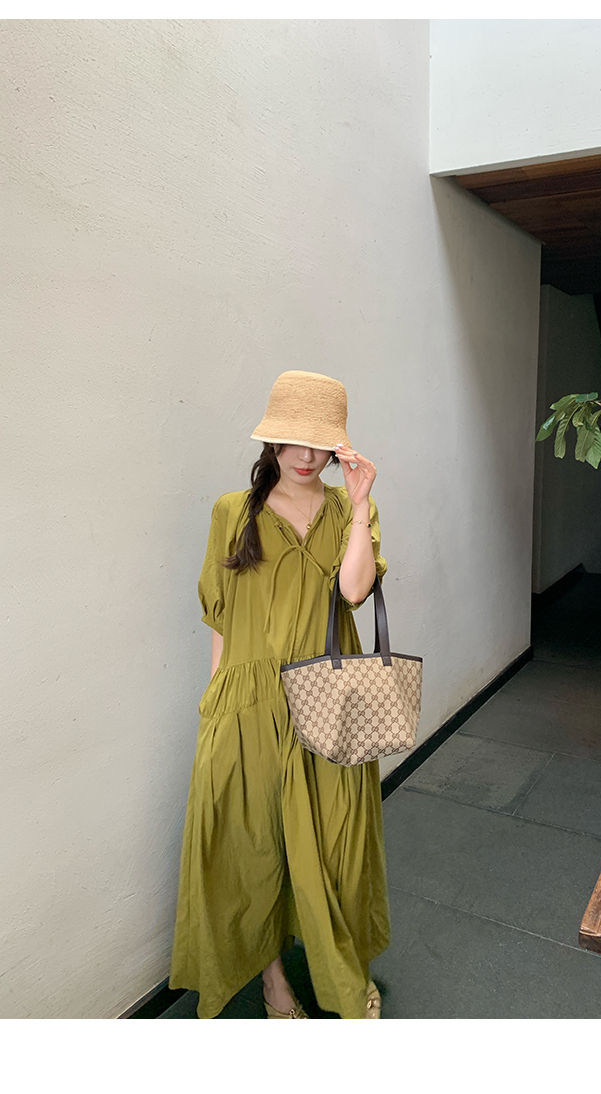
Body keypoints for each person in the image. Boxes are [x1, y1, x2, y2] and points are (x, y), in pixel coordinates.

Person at [169, 370, 390, 1019]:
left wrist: (361, 502)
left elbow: (354, 591)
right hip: (250, 703)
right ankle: (275, 983)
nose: (305, 455)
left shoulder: (351, 509)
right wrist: (215, 703)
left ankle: (344, 971)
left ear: (337, 449)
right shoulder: (231, 512)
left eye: (320, 444)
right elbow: (219, 616)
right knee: (256, 848)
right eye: (293, 439)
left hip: (328, 697)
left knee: (339, 847)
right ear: (271, 440)